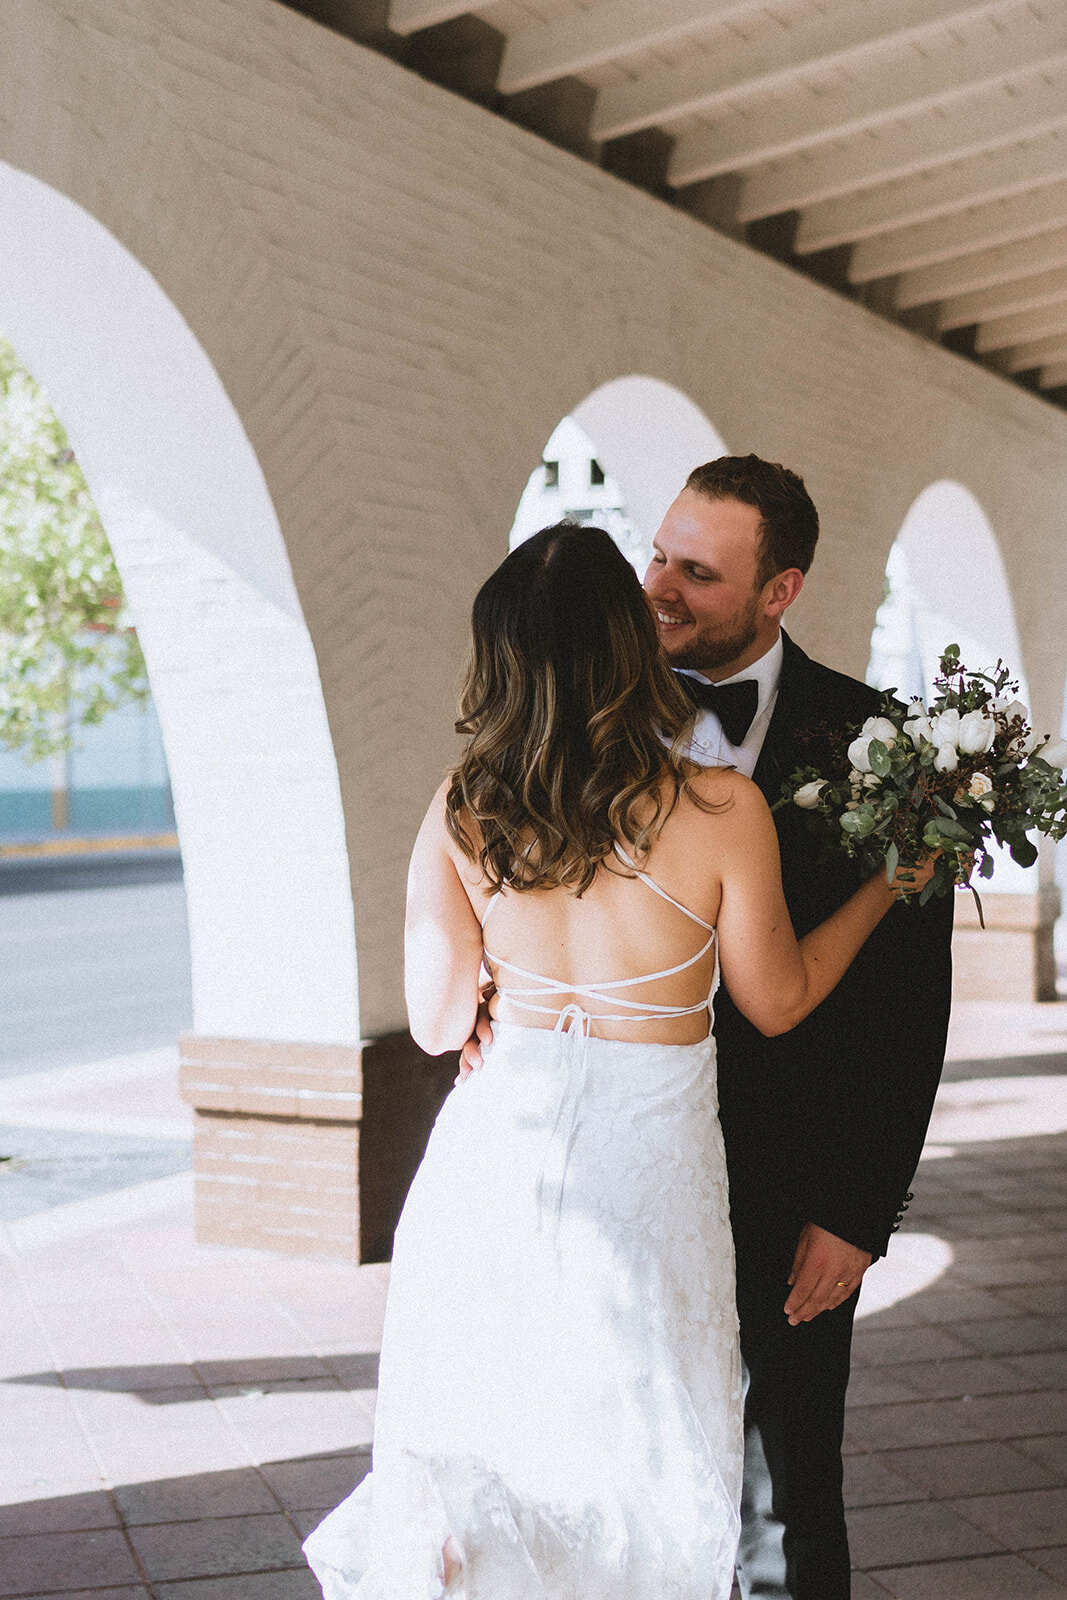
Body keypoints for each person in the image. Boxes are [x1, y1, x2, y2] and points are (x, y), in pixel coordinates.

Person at [303, 520, 932, 1600]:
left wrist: (511, 976)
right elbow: (776, 1002)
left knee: (492, 1437)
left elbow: (438, 1020)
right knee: (636, 1464)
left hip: (494, 1162)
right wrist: (886, 881)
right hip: (645, 1179)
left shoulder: (466, 808)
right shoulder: (721, 810)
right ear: (628, 649)